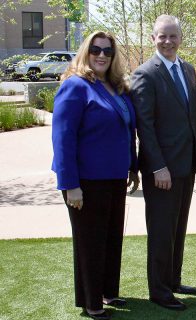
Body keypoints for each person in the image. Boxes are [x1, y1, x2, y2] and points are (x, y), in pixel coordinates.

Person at [52, 31, 139, 320]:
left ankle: (108, 292)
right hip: (86, 182)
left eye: (108, 51)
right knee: (91, 242)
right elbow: (63, 139)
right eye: (96, 49)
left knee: (112, 238)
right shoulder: (75, 86)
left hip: (115, 178)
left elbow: (128, 131)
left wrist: (132, 166)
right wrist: (70, 185)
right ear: (86, 52)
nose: (101, 55)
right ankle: (92, 303)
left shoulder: (117, 87)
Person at [130, 15, 196, 311]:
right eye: (162, 36)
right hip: (162, 169)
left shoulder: (187, 69)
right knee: (161, 230)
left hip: (187, 164)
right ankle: (159, 290)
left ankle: (173, 280)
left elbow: (191, 116)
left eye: (173, 36)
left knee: (178, 227)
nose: (168, 41)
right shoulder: (145, 73)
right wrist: (158, 166)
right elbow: (144, 125)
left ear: (180, 38)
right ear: (153, 39)